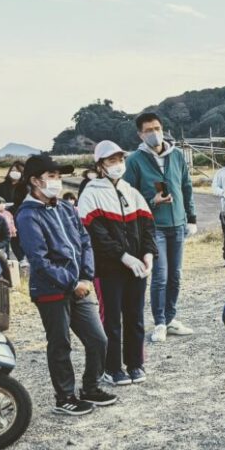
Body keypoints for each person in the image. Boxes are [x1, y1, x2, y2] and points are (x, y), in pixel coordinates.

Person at [15, 154, 116, 415]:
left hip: (79, 286)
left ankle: (91, 387)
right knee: (60, 343)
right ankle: (65, 397)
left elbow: (85, 241)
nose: (57, 181)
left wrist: (85, 276)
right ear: (35, 181)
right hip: (51, 290)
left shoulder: (64, 208)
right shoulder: (27, 216)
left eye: (59, 176)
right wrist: (71, 283)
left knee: (98, 339)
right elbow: (39, 259)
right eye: (52, 176)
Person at [78, 141, 158, 387]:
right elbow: (97, 235)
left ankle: (135, 363)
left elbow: (147, 227)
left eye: (120, 160)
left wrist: (148, 254)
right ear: (100, 165)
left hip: (137, 268)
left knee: (135, 317)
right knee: (111, 318)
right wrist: (123, 256)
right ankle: (111, 367)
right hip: (109, 269)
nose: (117, 165)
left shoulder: (131, 191)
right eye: (111, 161)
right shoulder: (91, 193)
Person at [124, 112, 197, 343]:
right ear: (140, 134)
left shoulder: (176, 156)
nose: (154, 133)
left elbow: (186, 187)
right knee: (161, 276)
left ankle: (171, 317)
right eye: (148, 130)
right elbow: (128, 196)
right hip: (153, 227)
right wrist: (153, 200)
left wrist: (191, 217)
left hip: (178, 224)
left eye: (157, 128)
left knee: (176, 275)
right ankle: (159, 322)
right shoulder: (134, 160)